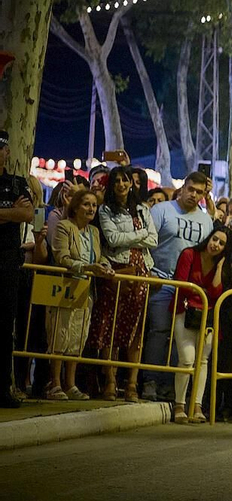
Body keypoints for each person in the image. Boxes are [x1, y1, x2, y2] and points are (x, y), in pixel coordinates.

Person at [142, 173, 214, 401]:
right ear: (182, 188)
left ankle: (171, 385)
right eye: (191, 189)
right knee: (159, 331)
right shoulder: (162, 210)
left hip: (190, 289)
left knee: (181, 338)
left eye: (199, 192)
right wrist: (148, 271)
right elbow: (145, 244)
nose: (194, 195)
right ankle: (150, 381)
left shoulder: (206, 221)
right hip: (162, 282)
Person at [90, 166, 156, 401]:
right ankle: (110, 380)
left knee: (136, 329)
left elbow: (154, 240)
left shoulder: (142, 209)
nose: (121, 184)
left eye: (125, 180)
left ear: (131, 183)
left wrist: (134, 238)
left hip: (142, 270)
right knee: (110, 326)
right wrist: (141, 235)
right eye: (117, 180)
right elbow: (112, 239)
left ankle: (131, 384)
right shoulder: (105, 209)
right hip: (117, 270)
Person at [46, 187, 112, 400]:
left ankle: (70, 384)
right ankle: (55, 383)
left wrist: (105, 266)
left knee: (78, 337)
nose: (91, 209)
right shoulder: (64, 227)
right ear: (75, 207)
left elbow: (98, 257)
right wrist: (86, 267)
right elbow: (62, 257)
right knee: (60, 334)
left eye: (94, 205)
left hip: (86, 289)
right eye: (86, 204)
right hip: (65, 286)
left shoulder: (94, 232)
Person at [171, 225, 229, 423]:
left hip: (207, 316)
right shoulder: (189, 254)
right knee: (187, 359)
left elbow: (215, 292)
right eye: (215, 239)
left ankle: (197, 405)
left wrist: (219, 268)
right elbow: (182, 284)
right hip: (185, 311)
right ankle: (179, 404)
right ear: (208, 238)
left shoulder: (219, 264)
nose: (216, 245)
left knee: (203, 361)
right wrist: (202, 293)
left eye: (222, 243)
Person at [0, 130, 34, 408]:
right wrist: (11, 213)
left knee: (4, 328)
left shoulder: (16, 183)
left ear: (7, 152)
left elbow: (27, 214)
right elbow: (18, 213)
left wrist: (10, 214)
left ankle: (3, 388)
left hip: (7, 261)